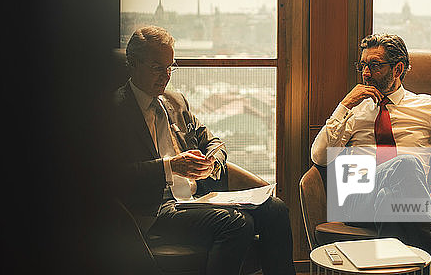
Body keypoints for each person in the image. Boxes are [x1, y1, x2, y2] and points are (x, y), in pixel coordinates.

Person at [113, 26, 295, 275]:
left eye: (170, 67)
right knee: (237, 224)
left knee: (276, 209)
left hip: (196, 196)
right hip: (154, 209)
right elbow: (112, 175)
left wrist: (212, 162)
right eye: (157, 68)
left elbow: (213, 141)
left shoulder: (174, 101)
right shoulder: (114, 110)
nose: (166, 76)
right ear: (132, 64)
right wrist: (170, 167)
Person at [311, 34, 431, 275]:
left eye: (374, 65)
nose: (365, 73)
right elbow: (319, 157)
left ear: (398, 68)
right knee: (406, 163)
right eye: (362, 65)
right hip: (358, 198)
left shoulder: (429, 106)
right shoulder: (354, 110)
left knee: (391, 198)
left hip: (406, 200)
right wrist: (344, 105)